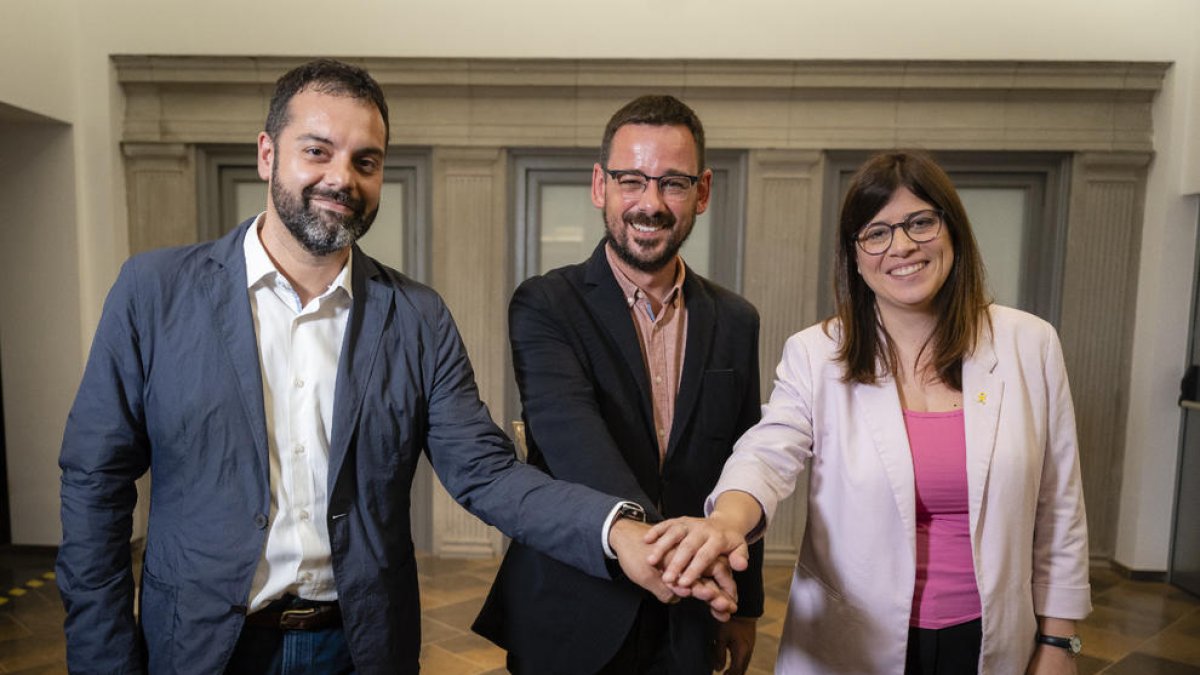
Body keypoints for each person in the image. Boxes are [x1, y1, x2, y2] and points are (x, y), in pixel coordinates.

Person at [55, 59, 734, 675]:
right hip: (198, 645)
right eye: (316, 151)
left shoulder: (416, 317)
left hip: (358, 646)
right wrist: (102, 654)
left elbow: (486, 472)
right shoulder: (155, 292)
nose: (340, 178)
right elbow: (95, 480)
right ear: (267, 154)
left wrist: (621, 535)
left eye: (366, 160)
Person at [646, 151, 1091, 674]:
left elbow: (1059, 505)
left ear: (953, 230)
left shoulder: (1028, 343)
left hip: (990, 637)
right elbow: (768, 451)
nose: (902, 246)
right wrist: (726, 521)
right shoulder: (818, 352)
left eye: (920, 222)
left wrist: (1060, 644)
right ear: (854, 256)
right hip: (855, 642)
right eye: (876, 233)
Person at [472, 95, 764, 675]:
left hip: (688, 617)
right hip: (575, 600)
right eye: (631, 180)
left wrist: (744, 605)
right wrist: (696, 566)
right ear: (599, 185)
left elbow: (744, 460)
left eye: (673, 183)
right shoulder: (545, 303)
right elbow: (572, 443)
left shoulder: (736, 320)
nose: (649, 204)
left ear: (702, 192)